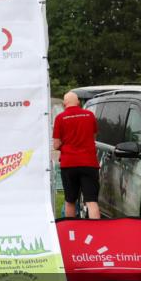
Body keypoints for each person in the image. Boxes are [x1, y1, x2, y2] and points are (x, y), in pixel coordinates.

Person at [53, 91, 101, 219]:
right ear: (78, 102)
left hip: (69, 164)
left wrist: (67, 143)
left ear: (64, 104)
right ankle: (95, 232)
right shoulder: (90, 115)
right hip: (89, 163)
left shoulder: (60, 118)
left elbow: (56, 145)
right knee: (91, 201)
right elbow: (93, 137)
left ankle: (72, 231)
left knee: (70, 201)